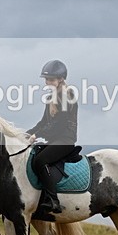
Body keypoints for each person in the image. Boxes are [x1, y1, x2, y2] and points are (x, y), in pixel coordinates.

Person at [26, 60, 78, 214]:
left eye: (51, 80)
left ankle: (53, 200)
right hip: (54, 140)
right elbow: (43, 123)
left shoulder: (68, 95)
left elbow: (59, 123)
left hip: (66, 140)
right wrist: (26, 133)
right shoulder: (50, 98)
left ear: (61, 79)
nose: (47, 82)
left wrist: (38, 135)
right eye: (46, 80)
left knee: (40, 160)